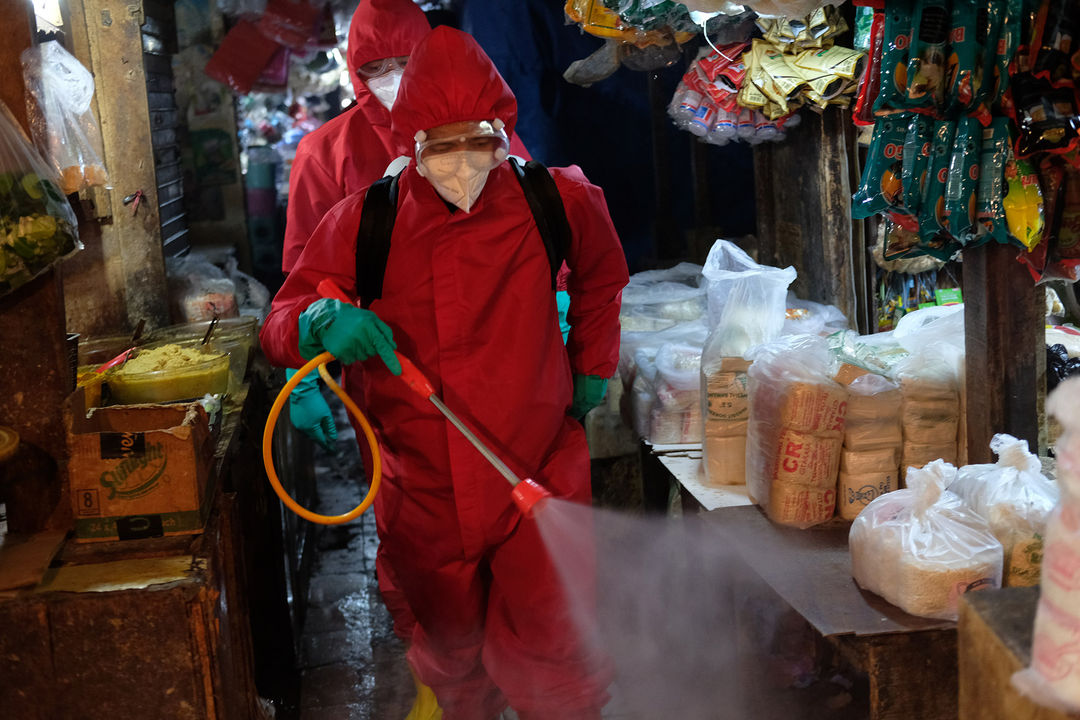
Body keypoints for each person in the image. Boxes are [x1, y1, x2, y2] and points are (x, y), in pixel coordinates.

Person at [260, 25, 629, 720]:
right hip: (422, 484)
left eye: (478, 140)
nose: (463, 160)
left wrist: (592, 365)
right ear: (410, 143)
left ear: (504, 130)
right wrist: (317, 324)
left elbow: (604, 278)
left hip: (538, 465)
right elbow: (281, 320)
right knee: (450, 649)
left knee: (556, 649)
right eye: (441, 143)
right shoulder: (363, 222)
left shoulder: (556, 201)